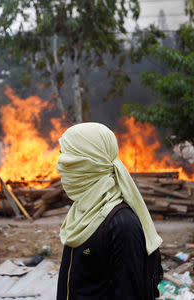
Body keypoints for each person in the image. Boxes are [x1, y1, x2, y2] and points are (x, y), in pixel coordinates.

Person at [56, 122, 163, 300]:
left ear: (90, 162)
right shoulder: (82, 212)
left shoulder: (121, 225)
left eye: (67, 157)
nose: (60, 165)